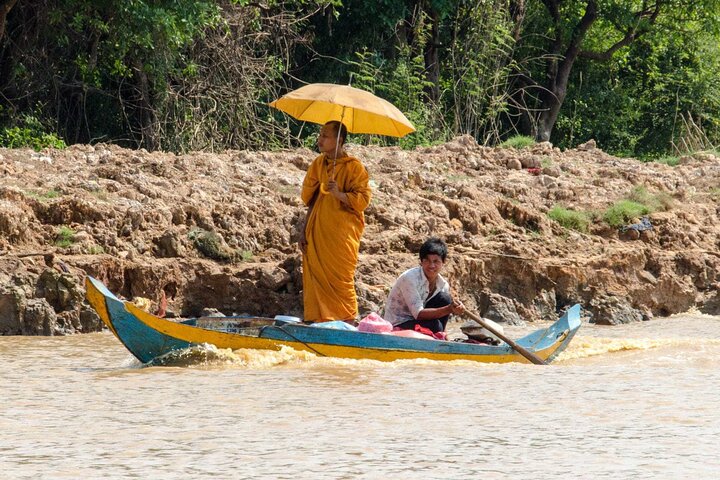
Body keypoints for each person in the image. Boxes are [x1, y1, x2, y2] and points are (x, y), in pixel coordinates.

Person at [298, 120, 371, 322]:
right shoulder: (318, 164)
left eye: (325, 136)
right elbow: (310, 199)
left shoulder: (354, 167)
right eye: (320, 135)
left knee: (342, 281)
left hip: (341, 236)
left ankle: (348, 322)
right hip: (317, 230)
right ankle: (317, 322)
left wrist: (338, 194)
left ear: (339, 140)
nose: (319, 139)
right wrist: (304, 230)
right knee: (315, 279)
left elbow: (363, 201)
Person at [383, 237, 464, 333]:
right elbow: (419, 314)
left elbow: (442, 315)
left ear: (443, 262)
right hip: (398, 323)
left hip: (418, 321)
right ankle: (437, 336)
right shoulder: (409, 278)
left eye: (436, 261)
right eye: (427, 261)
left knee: (445, 299)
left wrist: (453, 309)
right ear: (421, 261)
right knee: (435, 326)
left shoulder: (443, 285)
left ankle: (440, 337)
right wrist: (450, 309)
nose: (431, 266)